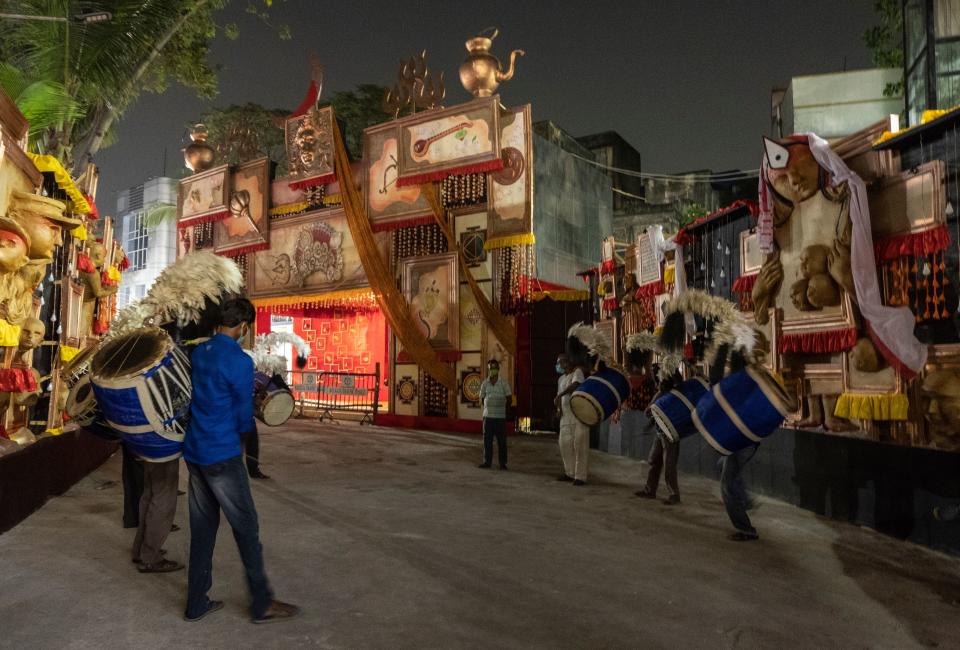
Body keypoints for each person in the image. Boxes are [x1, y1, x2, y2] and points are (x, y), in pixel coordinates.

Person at [182, 297, 299, 623]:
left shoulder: (199, 352)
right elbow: (241, 418)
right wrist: (253, 417)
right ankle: (261, 602)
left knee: (202, 530)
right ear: (244, 326)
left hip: (195, 452)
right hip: (221, 455)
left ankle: (196, 602)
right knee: (247, 528)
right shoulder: (240, 361)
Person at [635, 370, 681, 505]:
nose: (658, 383)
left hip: (670, 435)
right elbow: (651, 414)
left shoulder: (671, 396)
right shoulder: (662, 394)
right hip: (660, 433)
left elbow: (649, 412)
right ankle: (650, 490)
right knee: (654, 461)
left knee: (669, 466)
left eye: (660, 381)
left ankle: (674, 495)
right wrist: (649, 426)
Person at [132, 452, 182, 573]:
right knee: (163, 498)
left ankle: (140, 550)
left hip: (146, 445)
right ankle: (150, 558)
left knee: (150, 494)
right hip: (162, 446)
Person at [554, 354, 588, 486]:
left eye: (559, 363)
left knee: (580, 446)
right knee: (565, 444)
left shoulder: (577, 373)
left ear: (566, 363)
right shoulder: (561, 379)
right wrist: (558, 410)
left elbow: (575, 385)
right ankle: (569, 472)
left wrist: (561, 394)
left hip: (578, 414)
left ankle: (580, 476)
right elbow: (559, 398)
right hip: (565, 416)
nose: (558, 366)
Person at [721, 445, 760, 541]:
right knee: (726, 469)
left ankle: (746, 529)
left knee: (728, 486)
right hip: (744, 443)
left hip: (742, 444)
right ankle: (745, 501)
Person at [478, 358, 511, 470]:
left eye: (495, 368)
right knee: (487, 441)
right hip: (488, 417)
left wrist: (501, 408)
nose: (493, 370)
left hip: (500, 417)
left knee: (502, 441)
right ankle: (487, 462)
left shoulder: (504, 383)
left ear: (498, 369)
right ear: (488, 369)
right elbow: (482, 399)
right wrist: (490, 405)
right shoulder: (484, 384)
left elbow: (509, 399)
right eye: (491, 368)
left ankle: (503, 463)